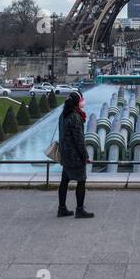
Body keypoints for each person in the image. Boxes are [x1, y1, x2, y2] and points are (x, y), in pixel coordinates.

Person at [57, 91, 93, 219]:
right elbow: (79, 140)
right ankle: (79, 210)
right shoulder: (75, 116)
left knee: (64, 181)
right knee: (81, 181)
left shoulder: (63, 114)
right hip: (75, 156)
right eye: (81, 99)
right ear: (77, 102)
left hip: (65, 154)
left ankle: (61, 209)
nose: (83, 101)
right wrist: (85, 156)